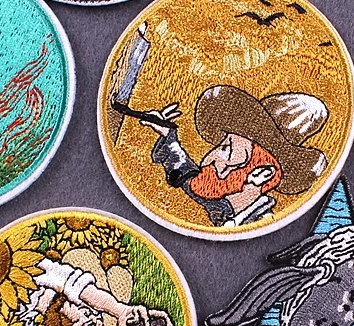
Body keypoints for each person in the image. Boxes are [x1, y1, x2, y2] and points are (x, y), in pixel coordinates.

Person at [141, 85, 330, 228]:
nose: (208, 159)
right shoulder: (222, 209)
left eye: (226, 148)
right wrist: (167, 134)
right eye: (219, 146)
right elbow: (187, 175)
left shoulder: (259, 226)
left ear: (262, 173)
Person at [19, 249, 174, 326]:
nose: (88, 317)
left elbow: (73, 284)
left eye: (89, 323)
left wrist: (120, 310)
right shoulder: (34, 274)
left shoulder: (25, 323)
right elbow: (74, 285)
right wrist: (118, 309)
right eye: (90, 315)